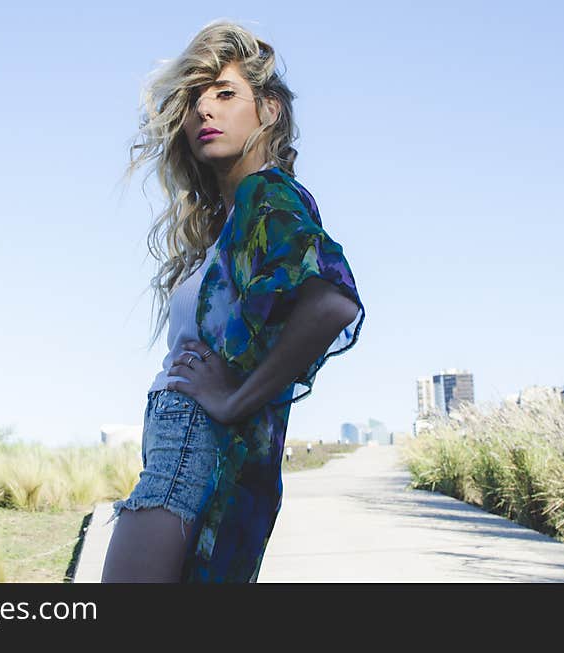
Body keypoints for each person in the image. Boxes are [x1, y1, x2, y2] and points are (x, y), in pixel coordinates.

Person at [101, 19, 366, 583]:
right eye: (196, 100)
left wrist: (234, 399)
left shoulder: (265, 196)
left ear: (268, 110)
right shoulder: (231, 223)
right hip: (183, 457)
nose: (205, 112)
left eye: (225, 94)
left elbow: (332, 301)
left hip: (191, 459)